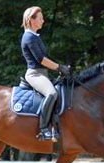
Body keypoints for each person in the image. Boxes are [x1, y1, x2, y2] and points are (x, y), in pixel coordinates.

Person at [21, 6, 70, 141]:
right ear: (32, 20)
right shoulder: (29, 38)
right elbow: (41, 59)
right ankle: (43, 129)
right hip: (34, 74)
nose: (43, 21)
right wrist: (59, 67)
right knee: (52, 93)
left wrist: (60, 68)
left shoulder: (35, 36)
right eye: (41, 18)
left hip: (42, 73)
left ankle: (55, 127)